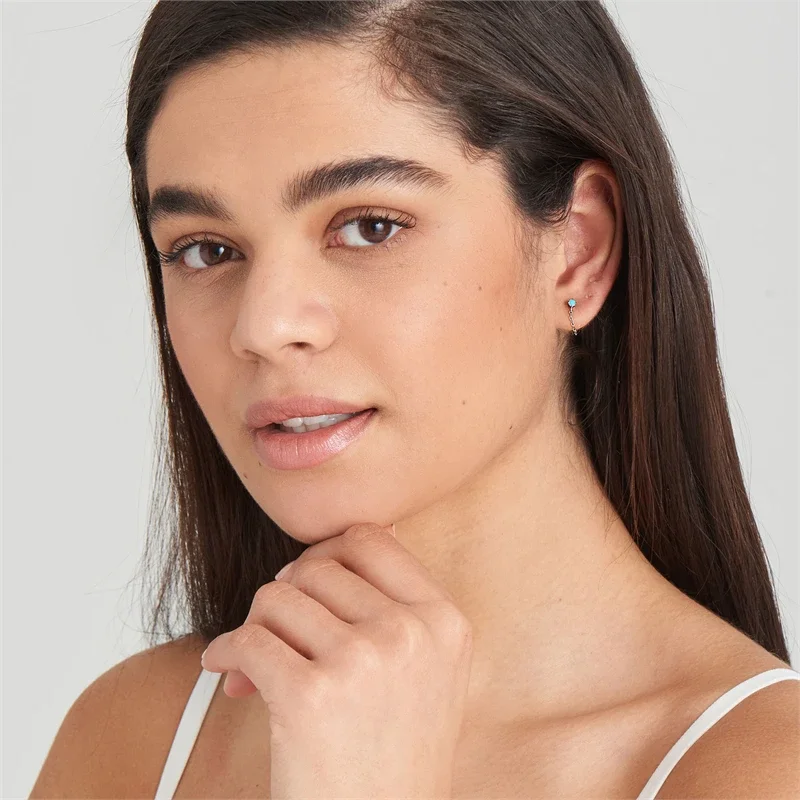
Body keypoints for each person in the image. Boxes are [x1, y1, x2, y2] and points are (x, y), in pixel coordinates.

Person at [31, 1, 798, 798]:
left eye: (369, 227)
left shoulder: (763, 772)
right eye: (206, 249)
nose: (263, 327)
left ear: (578, 249)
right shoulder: (135, 740)